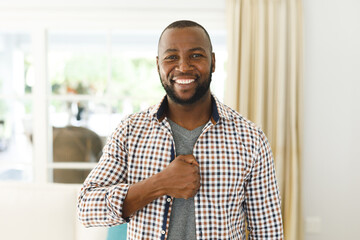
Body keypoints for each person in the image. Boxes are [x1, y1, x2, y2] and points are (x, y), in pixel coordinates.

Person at [78, 20, 283, 240]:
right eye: (171, 57)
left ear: (213, 62)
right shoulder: (130, 132)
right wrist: (159, 183)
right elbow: (87, 208)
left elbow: (267, 233)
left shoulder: (250, 138)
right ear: (158, 65)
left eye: (196, 55)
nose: (183, 67)